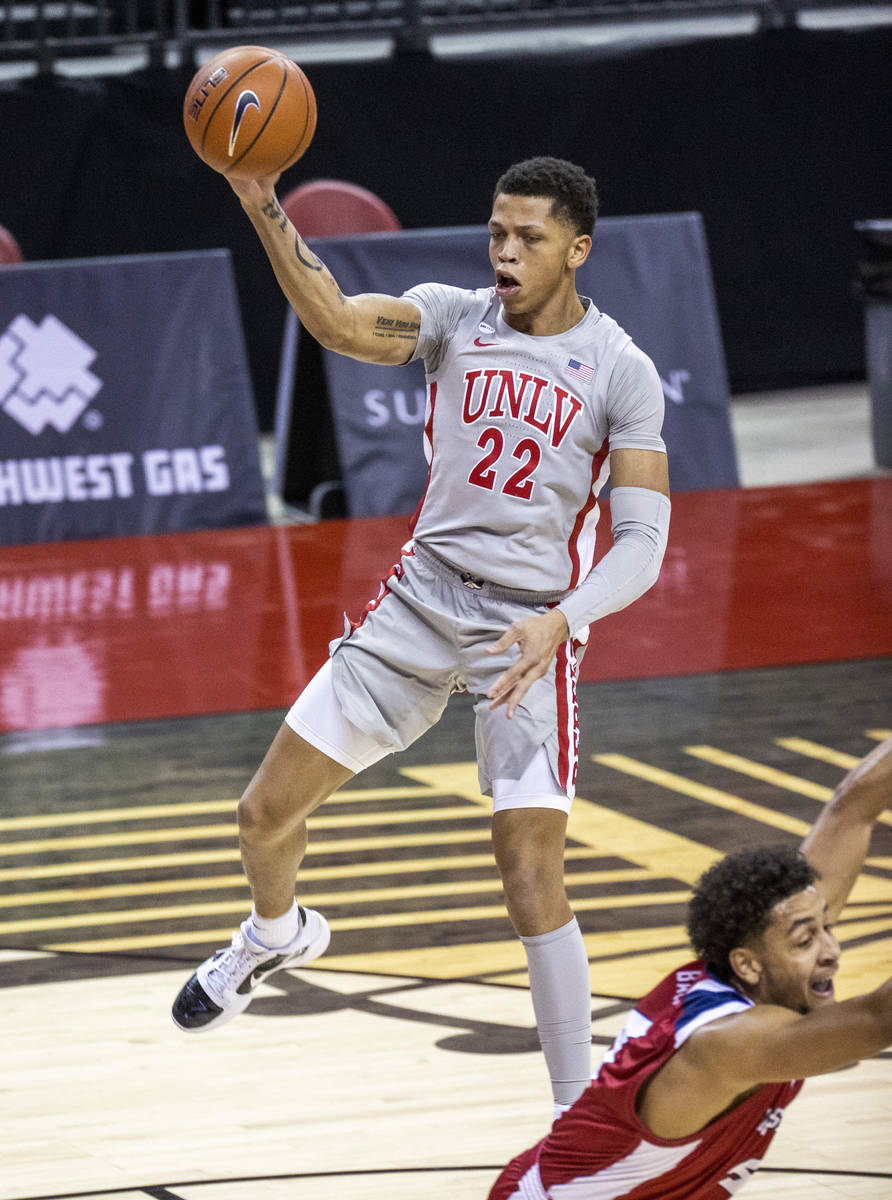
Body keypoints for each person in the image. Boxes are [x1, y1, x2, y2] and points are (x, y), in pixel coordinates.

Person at [171, 157, 671, 1116]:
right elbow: (336, 321)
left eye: (528, 237)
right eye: (497, 231)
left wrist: (561, 623)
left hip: (525, 630)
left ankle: (576, 1117)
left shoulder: (621, 371)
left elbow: (643, 545)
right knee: (261, 815)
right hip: (420, 604)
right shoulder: (451, 317)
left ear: (579, 249)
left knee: (529, 873)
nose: (506, 253)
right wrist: (257, 199)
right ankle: (274, 934)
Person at [489, 732, 892, 1198]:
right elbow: (879, 1020)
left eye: (827, 927)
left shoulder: (755, 957)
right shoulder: (731, 1042)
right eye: (806, 939)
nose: (831, 949)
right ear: (748, 965)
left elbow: (854, 806)